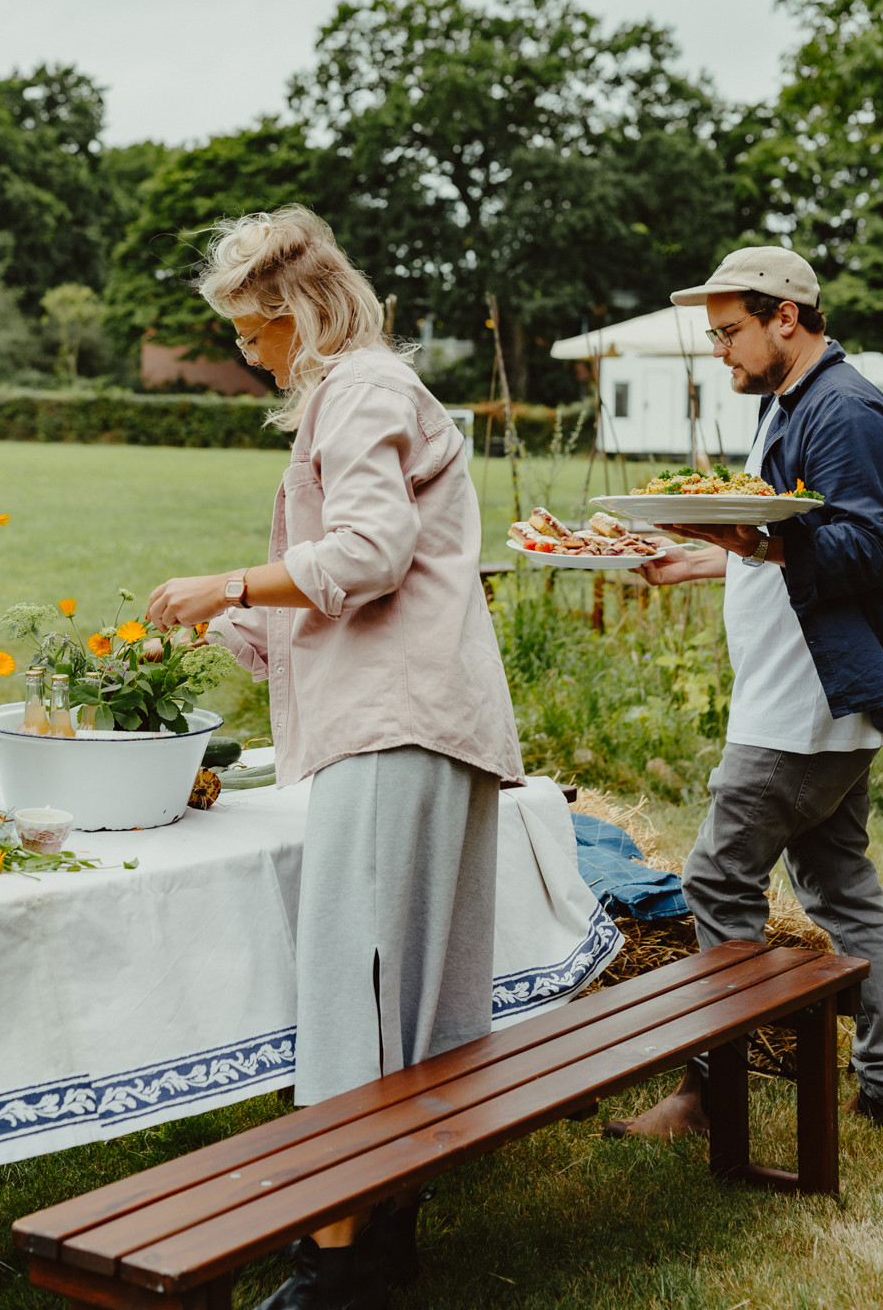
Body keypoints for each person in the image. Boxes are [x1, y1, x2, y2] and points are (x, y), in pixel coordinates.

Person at [146, 207, 523, 1310]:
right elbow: (329, 597)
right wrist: (212, 624)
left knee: (353, 983)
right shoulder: (366, 393)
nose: (243, 355)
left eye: (251, 333)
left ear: (295, 316)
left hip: (397, 723)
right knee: (402, 986)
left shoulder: (358, 390)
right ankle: (381, 1237)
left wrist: (229, 581)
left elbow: (370, 551)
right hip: (420, 715)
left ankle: (337, 1258)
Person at [604, 246, 883, 1142]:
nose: (720, 350)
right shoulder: (795, 399)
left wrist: (746, 535)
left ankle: (713, 1093)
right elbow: (782, 545)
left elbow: (864, 550)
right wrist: (701, 558)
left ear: (786, 316)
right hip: (820, 700)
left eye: (731, 331)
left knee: (718, 876)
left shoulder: (846, 411)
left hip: (804, 707)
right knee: (843, 884)